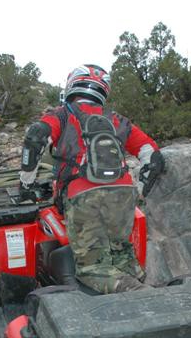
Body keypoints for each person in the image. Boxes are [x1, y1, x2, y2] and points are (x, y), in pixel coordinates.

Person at [18, 64, 164, 293]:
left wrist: (26, 183)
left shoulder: (62, 114)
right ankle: (142, 285)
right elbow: (153, 156)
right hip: (123, 194)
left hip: (82, 193)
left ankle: (136, 292)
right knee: (122, 254)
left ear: (72, 85)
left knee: (92, 268)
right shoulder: (116, 120)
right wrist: (138, 192)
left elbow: (35, 138)